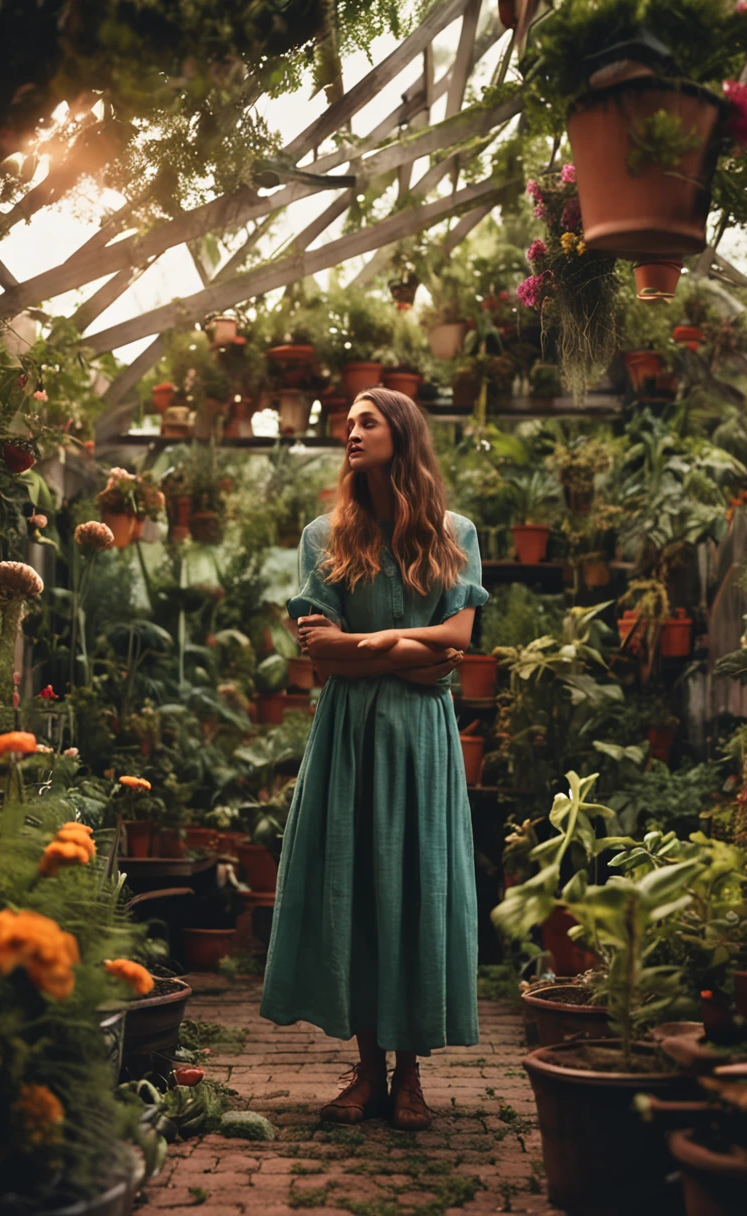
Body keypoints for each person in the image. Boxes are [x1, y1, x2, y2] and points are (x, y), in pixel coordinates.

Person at [259, 387, 488, 1131]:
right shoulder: (322, 535)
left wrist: (371, 647)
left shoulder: (457, 532)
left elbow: (457, 645)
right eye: (348, 423)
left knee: (415, 887)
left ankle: (412, 1075)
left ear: (402, 433)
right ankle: (368, 1070)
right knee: (354, 888)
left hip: (421, 741)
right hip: (350, 736)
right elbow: (320, 655)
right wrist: (396, 645)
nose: (349, 432)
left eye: (366, 421)